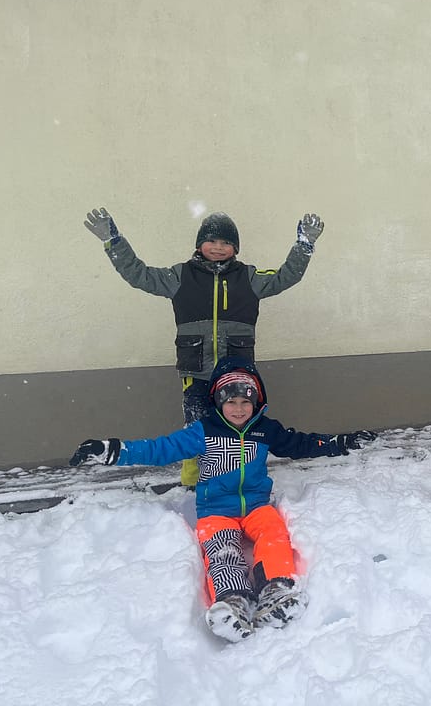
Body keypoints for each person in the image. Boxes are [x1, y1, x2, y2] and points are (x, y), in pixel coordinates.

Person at [69, 356, 376, 642]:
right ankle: (233, 600)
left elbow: (300, 444)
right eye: (231, 402)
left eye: (246, 402)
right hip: (215, 510)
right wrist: (112, 450)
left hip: (256, 506)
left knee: (273, 534)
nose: (239, 409)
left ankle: (276, 590)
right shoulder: (203, 432)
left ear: (256, 402)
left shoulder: (264, 430)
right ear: (218, 402)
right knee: (222, 549)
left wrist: (340, 443)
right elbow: (159, 449)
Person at [84, 207, 324, 486]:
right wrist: (113, 241)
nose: (218, 247)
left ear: (235, 248)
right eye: (212, 241)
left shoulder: (249, 277)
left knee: (239, 426)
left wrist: (304, 245)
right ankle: (193, 481)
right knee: (196, 429)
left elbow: (286, 276)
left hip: (235, 372)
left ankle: (236, 478)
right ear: (199, 244)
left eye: (226, 242)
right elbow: (139, 275)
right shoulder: (180, 276)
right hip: (196, 371)